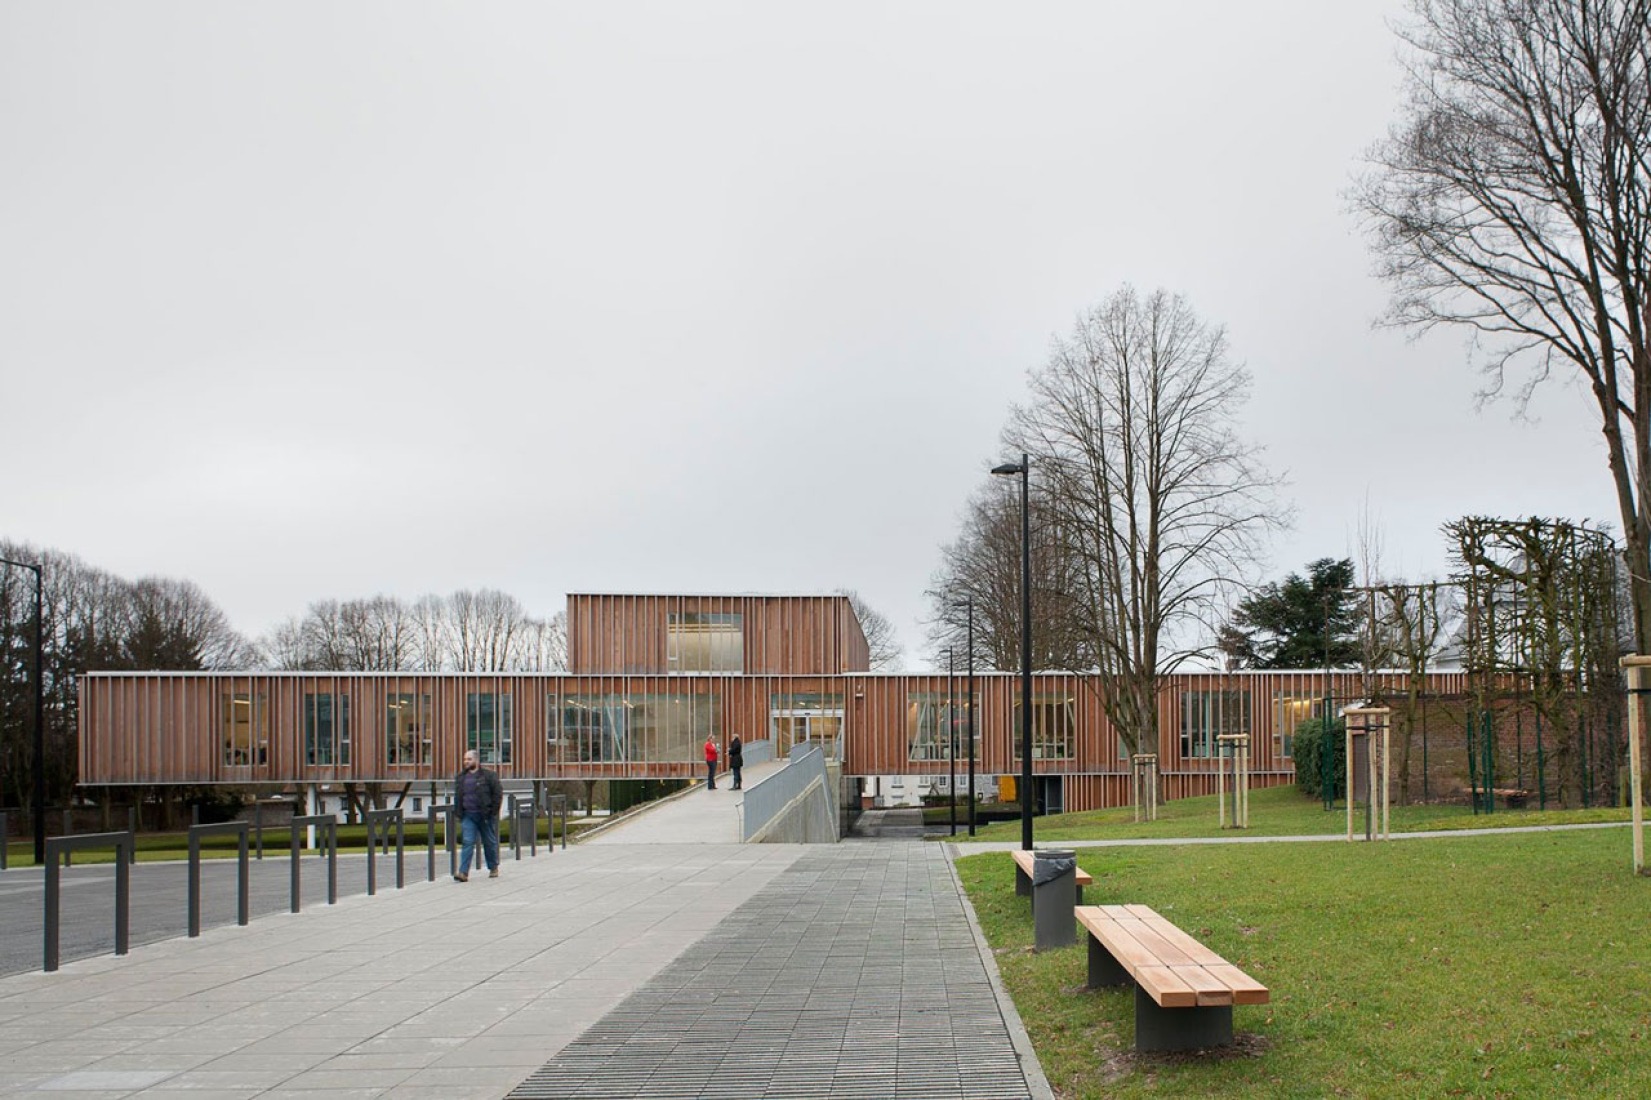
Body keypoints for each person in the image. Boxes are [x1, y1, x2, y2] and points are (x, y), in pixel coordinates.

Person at [453, 748, 503, 882]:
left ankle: (493, 867)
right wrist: (458, 812)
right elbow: (458, 796)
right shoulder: (461, 777)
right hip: (468, 815)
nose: (466, 762)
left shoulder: (489, 776)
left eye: (469, 759)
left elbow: (497, 794)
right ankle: (463, 872)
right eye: (465, 759)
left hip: (485, 815)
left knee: (489, 842)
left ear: (476, 760)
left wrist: (493, 812)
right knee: (467, 842)